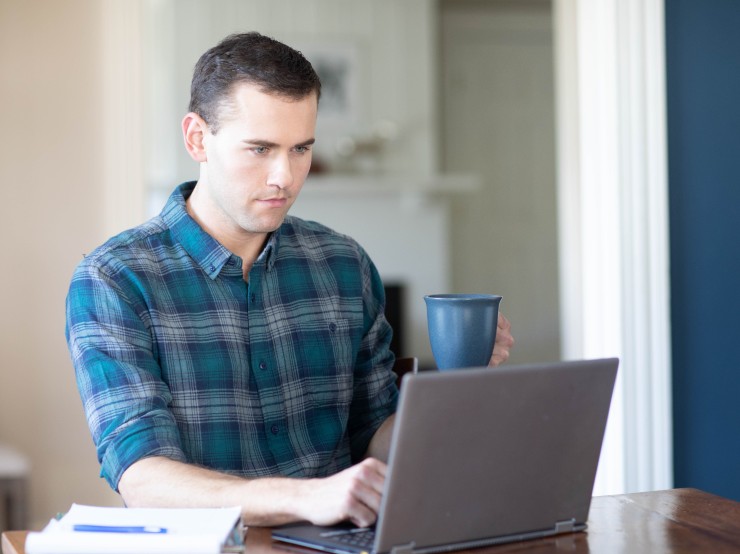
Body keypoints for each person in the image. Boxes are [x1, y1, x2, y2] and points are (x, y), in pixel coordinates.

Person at [66, 32, 514, 528]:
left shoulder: (345, 265)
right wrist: (304, 498)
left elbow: (376, 434)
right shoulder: (115, 280)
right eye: (260, 148)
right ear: (197, 138)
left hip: (343, 543)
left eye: (301, 148)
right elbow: (144, 478)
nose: (286, 176)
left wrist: (458, 385)